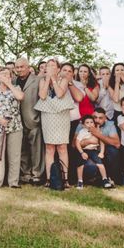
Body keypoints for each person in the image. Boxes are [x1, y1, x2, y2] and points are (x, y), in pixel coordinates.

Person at [35, 59, 75, 189]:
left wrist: (53, 79)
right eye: (48, 66)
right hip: (48, 115)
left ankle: (65, 179)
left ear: (58, 69)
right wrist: (47, 80)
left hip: (61, 115)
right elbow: (42, 95)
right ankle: (49, 178)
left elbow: (59, 93)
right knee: (49, 147)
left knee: (62, 147)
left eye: (53, 65)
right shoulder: (42, 80)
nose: (50, 67)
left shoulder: (63, 80)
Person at [0, 68, 24, 188]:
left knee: (14, 154)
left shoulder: (16, 88)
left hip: (15, 125)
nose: (5, 75)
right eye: (2, 74)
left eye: (8, 74)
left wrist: (9, 84)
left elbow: (21, 97)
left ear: (11, 77)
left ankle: (13, 182)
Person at [14, 57, 44, 185]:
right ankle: (25, 174)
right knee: (22, 149)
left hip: (33, 118)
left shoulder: (37, 80)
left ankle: (37, 174)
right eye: (17, 67)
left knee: (36, 149)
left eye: (22, 67)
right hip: (17, 121)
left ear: (28, 67)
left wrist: (38, 117)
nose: (19, 69)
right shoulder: (13, 81)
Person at [74, 115, 113, 189]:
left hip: (93, 150)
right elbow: (77, 142)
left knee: (100, 164)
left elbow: (102, 142)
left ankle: (105, 179)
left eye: (91, 122)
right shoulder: (82, 132)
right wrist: (82, 152)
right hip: (84, 150)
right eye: (87, 123)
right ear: (83, 125)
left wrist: (101, 152)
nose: (90, 124)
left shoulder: (97, 131)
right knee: (80, 164)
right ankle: (80, 181)